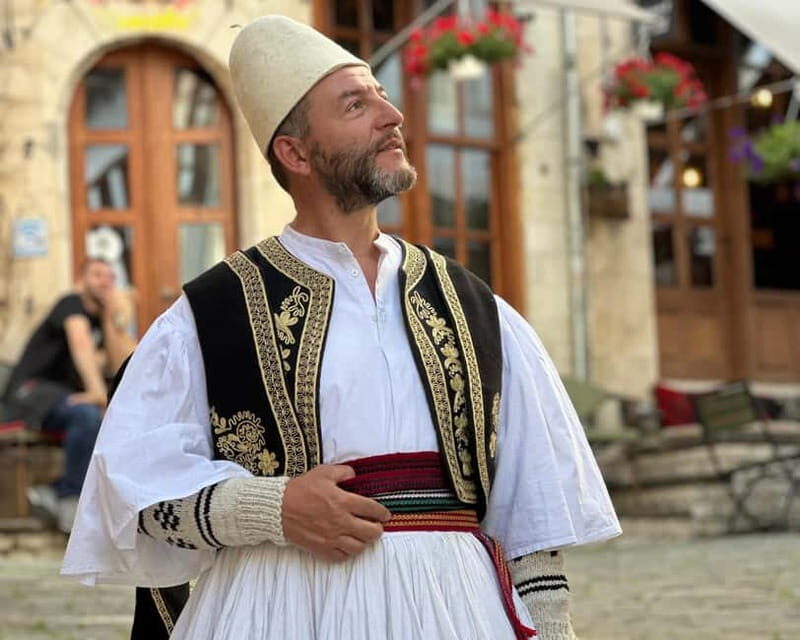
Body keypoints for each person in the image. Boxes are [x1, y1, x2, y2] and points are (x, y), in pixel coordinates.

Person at [62, 15, 621, 640]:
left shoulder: (475, 307)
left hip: (457, 610)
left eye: (381, 95)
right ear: (295, 153)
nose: (392, 116)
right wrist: (273, 508)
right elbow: (132, 491)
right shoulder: (210, 314)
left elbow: (534, 512)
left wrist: (552, 630)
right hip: (276, 612)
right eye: (356, 105)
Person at [2, 258, 136, 533]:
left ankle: (56, 492)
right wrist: (97, 392)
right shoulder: (71, 304)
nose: (104, 281)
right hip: (31, 390)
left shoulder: (100, 320)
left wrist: (114, 320)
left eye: (110, 276)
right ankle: (68, 499)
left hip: (62, 397)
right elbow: (80, 342)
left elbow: (118, 364)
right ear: (81, 280)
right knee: (87, 415)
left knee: (109, 419)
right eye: (97, 274)